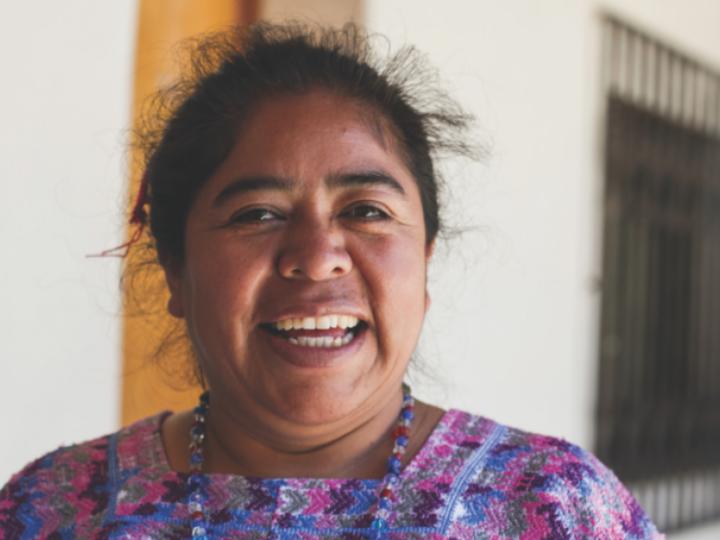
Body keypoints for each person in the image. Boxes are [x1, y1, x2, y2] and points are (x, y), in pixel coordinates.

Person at [0, 22, 662, 539]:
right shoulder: (54, 510)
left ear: (425, 260)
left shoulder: (557, 506)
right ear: (176, 269)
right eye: (257, 214)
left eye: (367, 211)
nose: (317, 258)